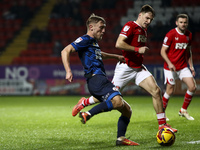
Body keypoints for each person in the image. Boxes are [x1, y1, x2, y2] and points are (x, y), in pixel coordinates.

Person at [72, 5, 178, 133]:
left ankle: (162, 125)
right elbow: (119, 43)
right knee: (108, 96)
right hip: (125, 68)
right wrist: (138, 49)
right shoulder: (130, 26)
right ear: (140, 15)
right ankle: (84, 103)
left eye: (151, 20)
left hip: (138, 68)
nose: (148, 22)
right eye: (147, 18)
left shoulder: (143, 30)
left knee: (156, 91)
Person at [61, 13, 140, 146]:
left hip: (99, 80)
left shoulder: (92, 42)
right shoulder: (85, 39)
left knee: (127, 110)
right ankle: (88, 113)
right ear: (91, 27)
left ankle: (121, 139)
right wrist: (68, 71)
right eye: (101, 27)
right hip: (96, 80)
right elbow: (65, 51)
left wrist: (116, 57)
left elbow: (100, 54)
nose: (103, 31)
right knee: (118, 102)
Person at [160, 14, 196, 120]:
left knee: (192, 87)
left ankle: (183, 110)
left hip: (182, 67)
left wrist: (191, 66)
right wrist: (170, 63)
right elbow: (162, 51)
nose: (183, 24)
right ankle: (162, 114)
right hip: (169, 67)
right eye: (181, 22)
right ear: (177, 23)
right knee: (170, 90)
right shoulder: (171, 34)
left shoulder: (189, 35)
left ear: (187, 23)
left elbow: (188, 51)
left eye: (185, 22)